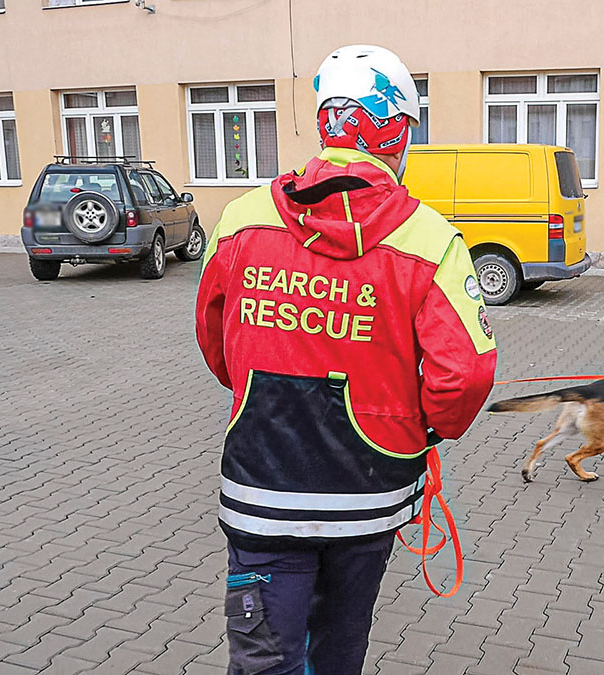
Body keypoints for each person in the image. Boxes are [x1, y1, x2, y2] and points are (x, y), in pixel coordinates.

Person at [195, 44, 497, 675]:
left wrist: (259, 389)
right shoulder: (430, 238)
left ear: (328, 122)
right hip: (369, 489)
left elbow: (217, 340)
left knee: (262, 659)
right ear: (397, 131)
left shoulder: (242, 220)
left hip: (261, 483)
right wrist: (426, 424)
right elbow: (464, 373)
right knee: (338, 646)